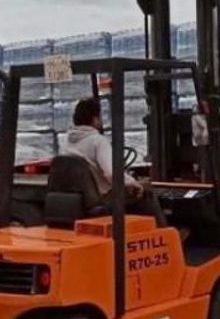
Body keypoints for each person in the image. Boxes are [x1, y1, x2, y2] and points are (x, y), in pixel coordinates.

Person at [58, 97, 167, 226]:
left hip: (78, 198)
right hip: (100, 198)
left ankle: (135, 231)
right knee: (145, 189)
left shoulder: (67, 141)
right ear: (95, 119)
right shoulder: (97, 141)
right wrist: (132, 182)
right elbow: (111, 173)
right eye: (99, 117)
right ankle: (163, 232)